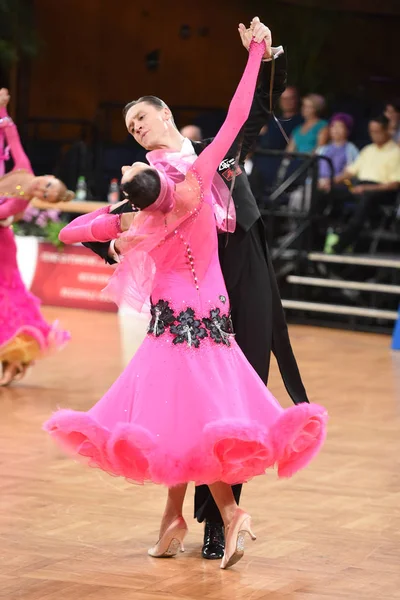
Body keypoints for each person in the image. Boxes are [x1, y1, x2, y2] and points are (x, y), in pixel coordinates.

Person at [44, 38, 327, 571]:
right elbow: (80, 227)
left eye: (142, 120)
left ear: (166, 114)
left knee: (186, 411)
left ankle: (219, 512)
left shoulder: (183, 177)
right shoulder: (174, 188)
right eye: (129, 129)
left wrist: (258, 54)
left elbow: (245, 109)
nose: (136, 130)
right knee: (181, 411)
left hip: (208, 302)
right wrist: (120, 221)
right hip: (201, 310)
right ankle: (185, 516)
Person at [0, 88, 71, 385]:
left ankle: (13, 359)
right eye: (49, 184)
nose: (42, 188)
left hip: (1, 247)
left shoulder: (20, 202)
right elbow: (12, 140)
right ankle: (13, 360)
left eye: (46, 194)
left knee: (7, 301)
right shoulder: (24, 169)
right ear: (49, 176)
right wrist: (3, 110)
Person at [324, 115, 400, 254]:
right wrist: (330, 182)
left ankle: (343, 242)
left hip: (382, 192)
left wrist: (366, 188)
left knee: (366, 198)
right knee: (327, 192)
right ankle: (317, 233)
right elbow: (350, 172)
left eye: (377, 131)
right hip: (360, 188)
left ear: (386, 131)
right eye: (371, 131)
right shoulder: (368, 149)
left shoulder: (396, 152)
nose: (374, 135)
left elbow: (394, 184)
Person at [317, 113, 359, 190]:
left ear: (347, 130)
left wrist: (330, 182)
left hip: (339, 184)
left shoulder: (351, 149)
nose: (336, 129)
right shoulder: (323, 149)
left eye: (340, 126)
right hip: (319, 183)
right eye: (333, 126)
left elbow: (351, 173)